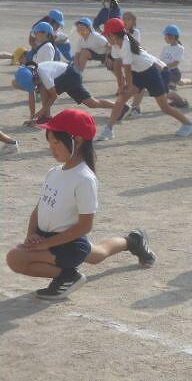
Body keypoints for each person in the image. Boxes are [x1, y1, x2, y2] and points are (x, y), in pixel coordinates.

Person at [5, 109, 156, 300]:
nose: (51, 148)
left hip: (69, 244)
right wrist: (32, 235)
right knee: (98, 254)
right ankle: (133, 241)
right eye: (49, 142)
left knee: (16, 258)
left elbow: (85, 226)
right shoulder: (54, 172)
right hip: (52, 239)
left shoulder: (84, 179)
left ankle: (69, 276)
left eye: (56, 142)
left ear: (77, 140)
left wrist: (45, 244)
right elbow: (39, 208)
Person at [96, 18, 192, 141]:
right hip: (138, 72)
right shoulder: (116, 45)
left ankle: (188, 124)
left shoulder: (126, 44)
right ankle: (108, 130)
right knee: (121, 99)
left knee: (164, 107)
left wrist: (128, 85)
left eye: (106, 35)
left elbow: (127, 69)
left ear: (112, 35)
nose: (105, 37)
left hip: (153, 72)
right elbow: (117, 64)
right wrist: (121, 86)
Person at [13, 61, 115, 124]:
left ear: (34, 76)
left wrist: (42, 111)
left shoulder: (44, 75)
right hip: (62, 76)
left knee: (92, 103)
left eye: (33, 84)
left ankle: (118, 106)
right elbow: (31, 96)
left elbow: (54, 96)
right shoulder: (32, 74)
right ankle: (46, 118)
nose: (33, 86)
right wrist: (31, 117)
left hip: (70, 76)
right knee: (42, 87)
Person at [159, 24, 188, 108]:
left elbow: (175, 63)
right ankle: (177, 101)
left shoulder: (180, 48)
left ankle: (182, 102)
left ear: (172, 36)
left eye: (166, 36)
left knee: (166, 90)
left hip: (173, 72)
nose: (164, 38)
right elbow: (161, 60)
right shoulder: (165, 47)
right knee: (164, 90)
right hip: (164, 71)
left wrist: (164, 67)